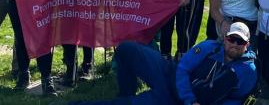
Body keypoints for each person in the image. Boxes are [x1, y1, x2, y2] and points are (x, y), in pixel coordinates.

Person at [98, 22, 257, 104]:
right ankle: (127, 91)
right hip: (172, 75)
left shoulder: (248, 71)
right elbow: (183, 68)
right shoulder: (210, 47)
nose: (234, 44)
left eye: (240, 42)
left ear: (247, 45)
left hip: (174, 100)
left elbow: (237, 99)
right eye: (232, 39)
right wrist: (189, 99)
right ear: (225, 38)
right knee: (126, 48)